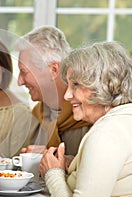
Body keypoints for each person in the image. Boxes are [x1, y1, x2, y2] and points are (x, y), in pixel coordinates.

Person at [39, 41, 132, 197]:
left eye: (76, 84)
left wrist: (53, 173)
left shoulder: (106, 133)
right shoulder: (124, 119)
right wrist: (76, 165)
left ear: (104, 85)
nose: (67, 95)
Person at [15, 26, 91, 156]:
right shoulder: (38, 114)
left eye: (24, 72)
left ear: (54, 70)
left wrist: (55, 157)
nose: (19, 81)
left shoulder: (91, 115)